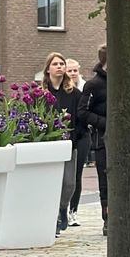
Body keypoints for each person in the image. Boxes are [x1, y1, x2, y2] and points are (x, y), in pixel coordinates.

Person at [43, 52, 82, 236]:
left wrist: (77, 136)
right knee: (51, 182)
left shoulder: (73, 92)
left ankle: (62, 207)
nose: (59, 67)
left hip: (68, 143)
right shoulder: (41, 92)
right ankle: (54, 218)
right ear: (48, 68)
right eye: (55, 64)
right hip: (48, 145)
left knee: (68, 183)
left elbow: (81, 114)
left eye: (61, 64)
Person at [79, 45, 109, 236]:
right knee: (105, 180)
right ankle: (108, 219)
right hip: (102, 139)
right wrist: (106, 123)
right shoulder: (94, 85)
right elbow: (82, 112)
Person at [64, 58, 91, 226]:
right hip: (67, 135)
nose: (73, 73)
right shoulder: (65, 90)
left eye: (75, 70)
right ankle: (61, 209)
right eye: (70, 70)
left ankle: (73, 211)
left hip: (82, 135)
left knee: (77, 174)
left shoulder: (85, 88)